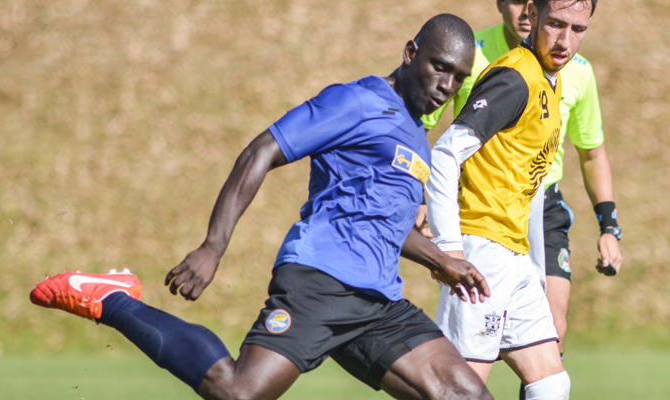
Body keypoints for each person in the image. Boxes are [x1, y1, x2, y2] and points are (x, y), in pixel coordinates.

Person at [30, 14, 495, 400]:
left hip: (377, 301)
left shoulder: (416, 133)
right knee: (237, 391)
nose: (446, 85)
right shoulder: (357, 100)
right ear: (411, 53)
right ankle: (110, 299)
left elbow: (387, 223)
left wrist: (442, 261)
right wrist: (213, 246)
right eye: (440, 68)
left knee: (466, 396)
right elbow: (262, 151)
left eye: (457, 77)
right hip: (322, 282)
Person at [422, 0, 622, 365]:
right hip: (482, 221)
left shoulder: (563, 74)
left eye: (578, 29)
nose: (565, 39)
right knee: (466, 378)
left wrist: (609, 225)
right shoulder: (485, 59)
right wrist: (435, 218)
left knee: (551, 364)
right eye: (556, 24)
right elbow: (438, 141)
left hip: (532, 213)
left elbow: (592, 152)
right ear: (532, 12)